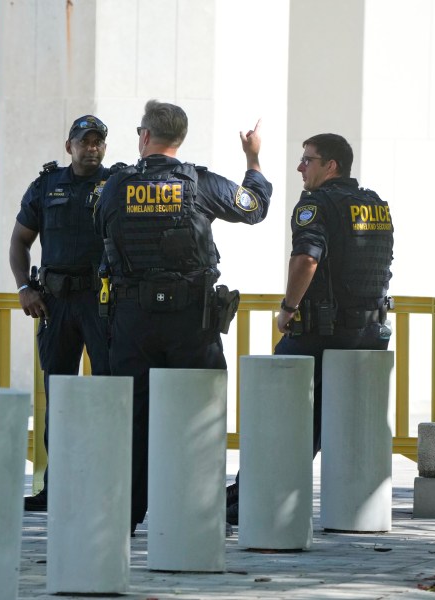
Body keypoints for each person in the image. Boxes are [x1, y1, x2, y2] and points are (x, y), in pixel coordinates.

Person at [94, 100, 272, 535]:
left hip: (131, 317)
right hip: (190, 318)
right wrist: (252, 159)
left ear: (144, 136)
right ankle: (196, 514)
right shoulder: (201, 182)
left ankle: (126, 515)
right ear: (181, 138)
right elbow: (254, 207)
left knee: (132, 416)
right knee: (199, 416)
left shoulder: (115, 185)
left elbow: (102, 227)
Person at [225, 133, 393, 524]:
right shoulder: (375, 205)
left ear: (330, 166)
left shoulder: (316, 204)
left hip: (321, 332)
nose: (301, 167)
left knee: (281, 414)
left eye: (307, 160)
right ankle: (253, 493)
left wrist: (288, 309)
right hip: (368, 335)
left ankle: (255, 495)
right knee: (322, 424)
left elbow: (306, 260)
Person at [9, 115, 113, 511]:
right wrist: (23, 287)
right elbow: (19, 242)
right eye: (84, 141)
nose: (92, 148)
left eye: (98, 141)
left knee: (107, 395)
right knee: (61, 396)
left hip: (102, 303)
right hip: (54, 303)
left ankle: (106, 488)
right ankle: (57, 488)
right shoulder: (46, 186)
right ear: (68, 145)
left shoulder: (116, 185)